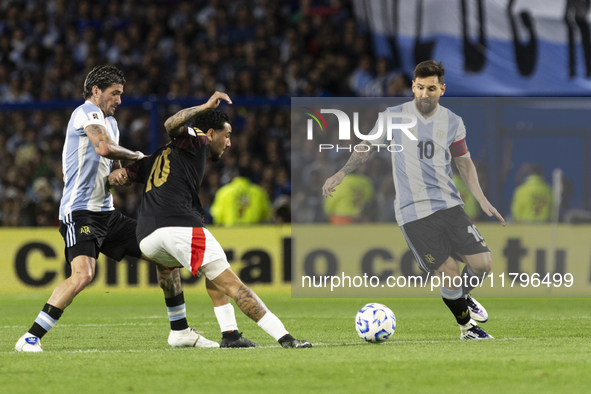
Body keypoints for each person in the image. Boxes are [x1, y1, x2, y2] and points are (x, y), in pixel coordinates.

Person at [15, 66, 254, 353]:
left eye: (121, 94)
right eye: (114, 94)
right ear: (96, 91)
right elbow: (103, 148)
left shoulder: (111, 124)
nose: (118, 100)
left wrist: (129, 175)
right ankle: (30, 337)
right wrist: (142, 157)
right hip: (80, 211)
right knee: (83, 275)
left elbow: (115, 173)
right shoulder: (85, 113)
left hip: (107, 214)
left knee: (164, 258)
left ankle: (179, 331)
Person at [110, 91, 311, 348]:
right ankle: (286, 339)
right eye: (227, 136)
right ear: (211, 134)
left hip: (147, 238)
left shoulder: (158, 157)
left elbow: (119, 179)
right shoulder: (197, 140)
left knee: (210, 271)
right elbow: (171, 124)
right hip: (178, 226)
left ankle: (229, 335)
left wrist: (119, 161)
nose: (228, 143)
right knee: (234, 285)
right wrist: (205, 107)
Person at [322, 60, 505, 340]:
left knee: (483, 265)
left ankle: (462, 296)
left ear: (441, 89)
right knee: (450, 273)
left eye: (431, 88)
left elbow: (465, 164)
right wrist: (341, 172)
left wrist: (481, 198)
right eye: (419, 88)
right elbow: (366, 147)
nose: (424, 94)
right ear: (413, 87)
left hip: (450, 205)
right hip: (414, 213)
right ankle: (467, 328)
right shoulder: (392, 116)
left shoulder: (453, 122)